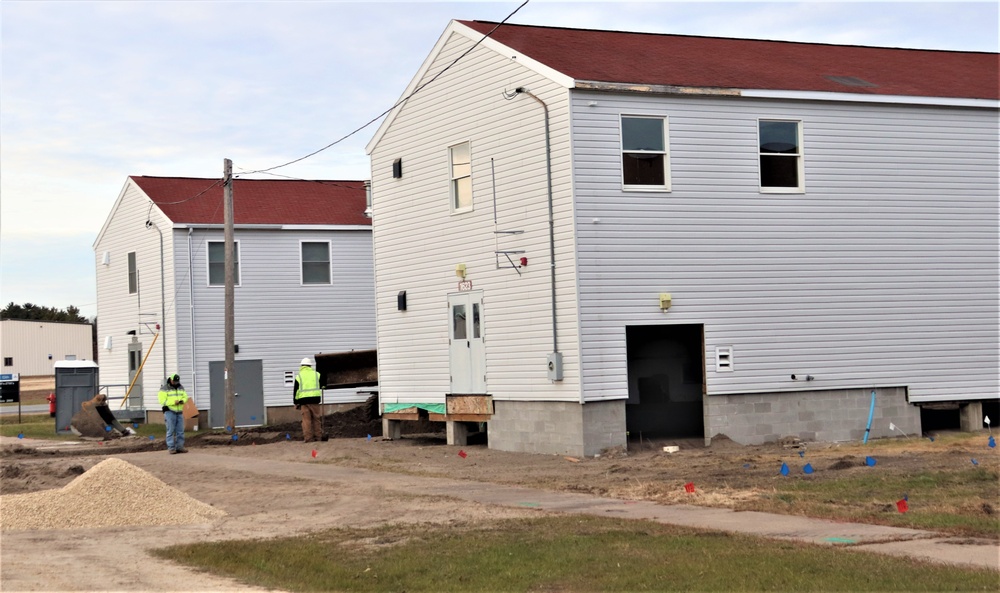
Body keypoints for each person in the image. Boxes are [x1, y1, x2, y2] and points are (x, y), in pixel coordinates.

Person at [294, 357, 325, 442]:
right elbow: (323, 385)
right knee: (316, 419)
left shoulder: (298, 376)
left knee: (306, 420)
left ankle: (308, 438)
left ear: (301, 366)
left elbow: (296, 391)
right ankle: (318, 437)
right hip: (315, 400)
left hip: (303, 401)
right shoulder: (316, 374)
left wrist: (296, 402)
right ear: (310, 366)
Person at [159, 373, 188, 454]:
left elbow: (185, 396)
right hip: (169, 411)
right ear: (171, 380)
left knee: (180, 430)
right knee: (170, 430)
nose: (176, 383)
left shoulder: (181, 387)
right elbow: (162, 401)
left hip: (179, 411)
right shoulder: (164, 389)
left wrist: (182, 401)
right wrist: (173, 402)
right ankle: (171, 447)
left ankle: (180, 447)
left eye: (177, 381)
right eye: (174, 381)